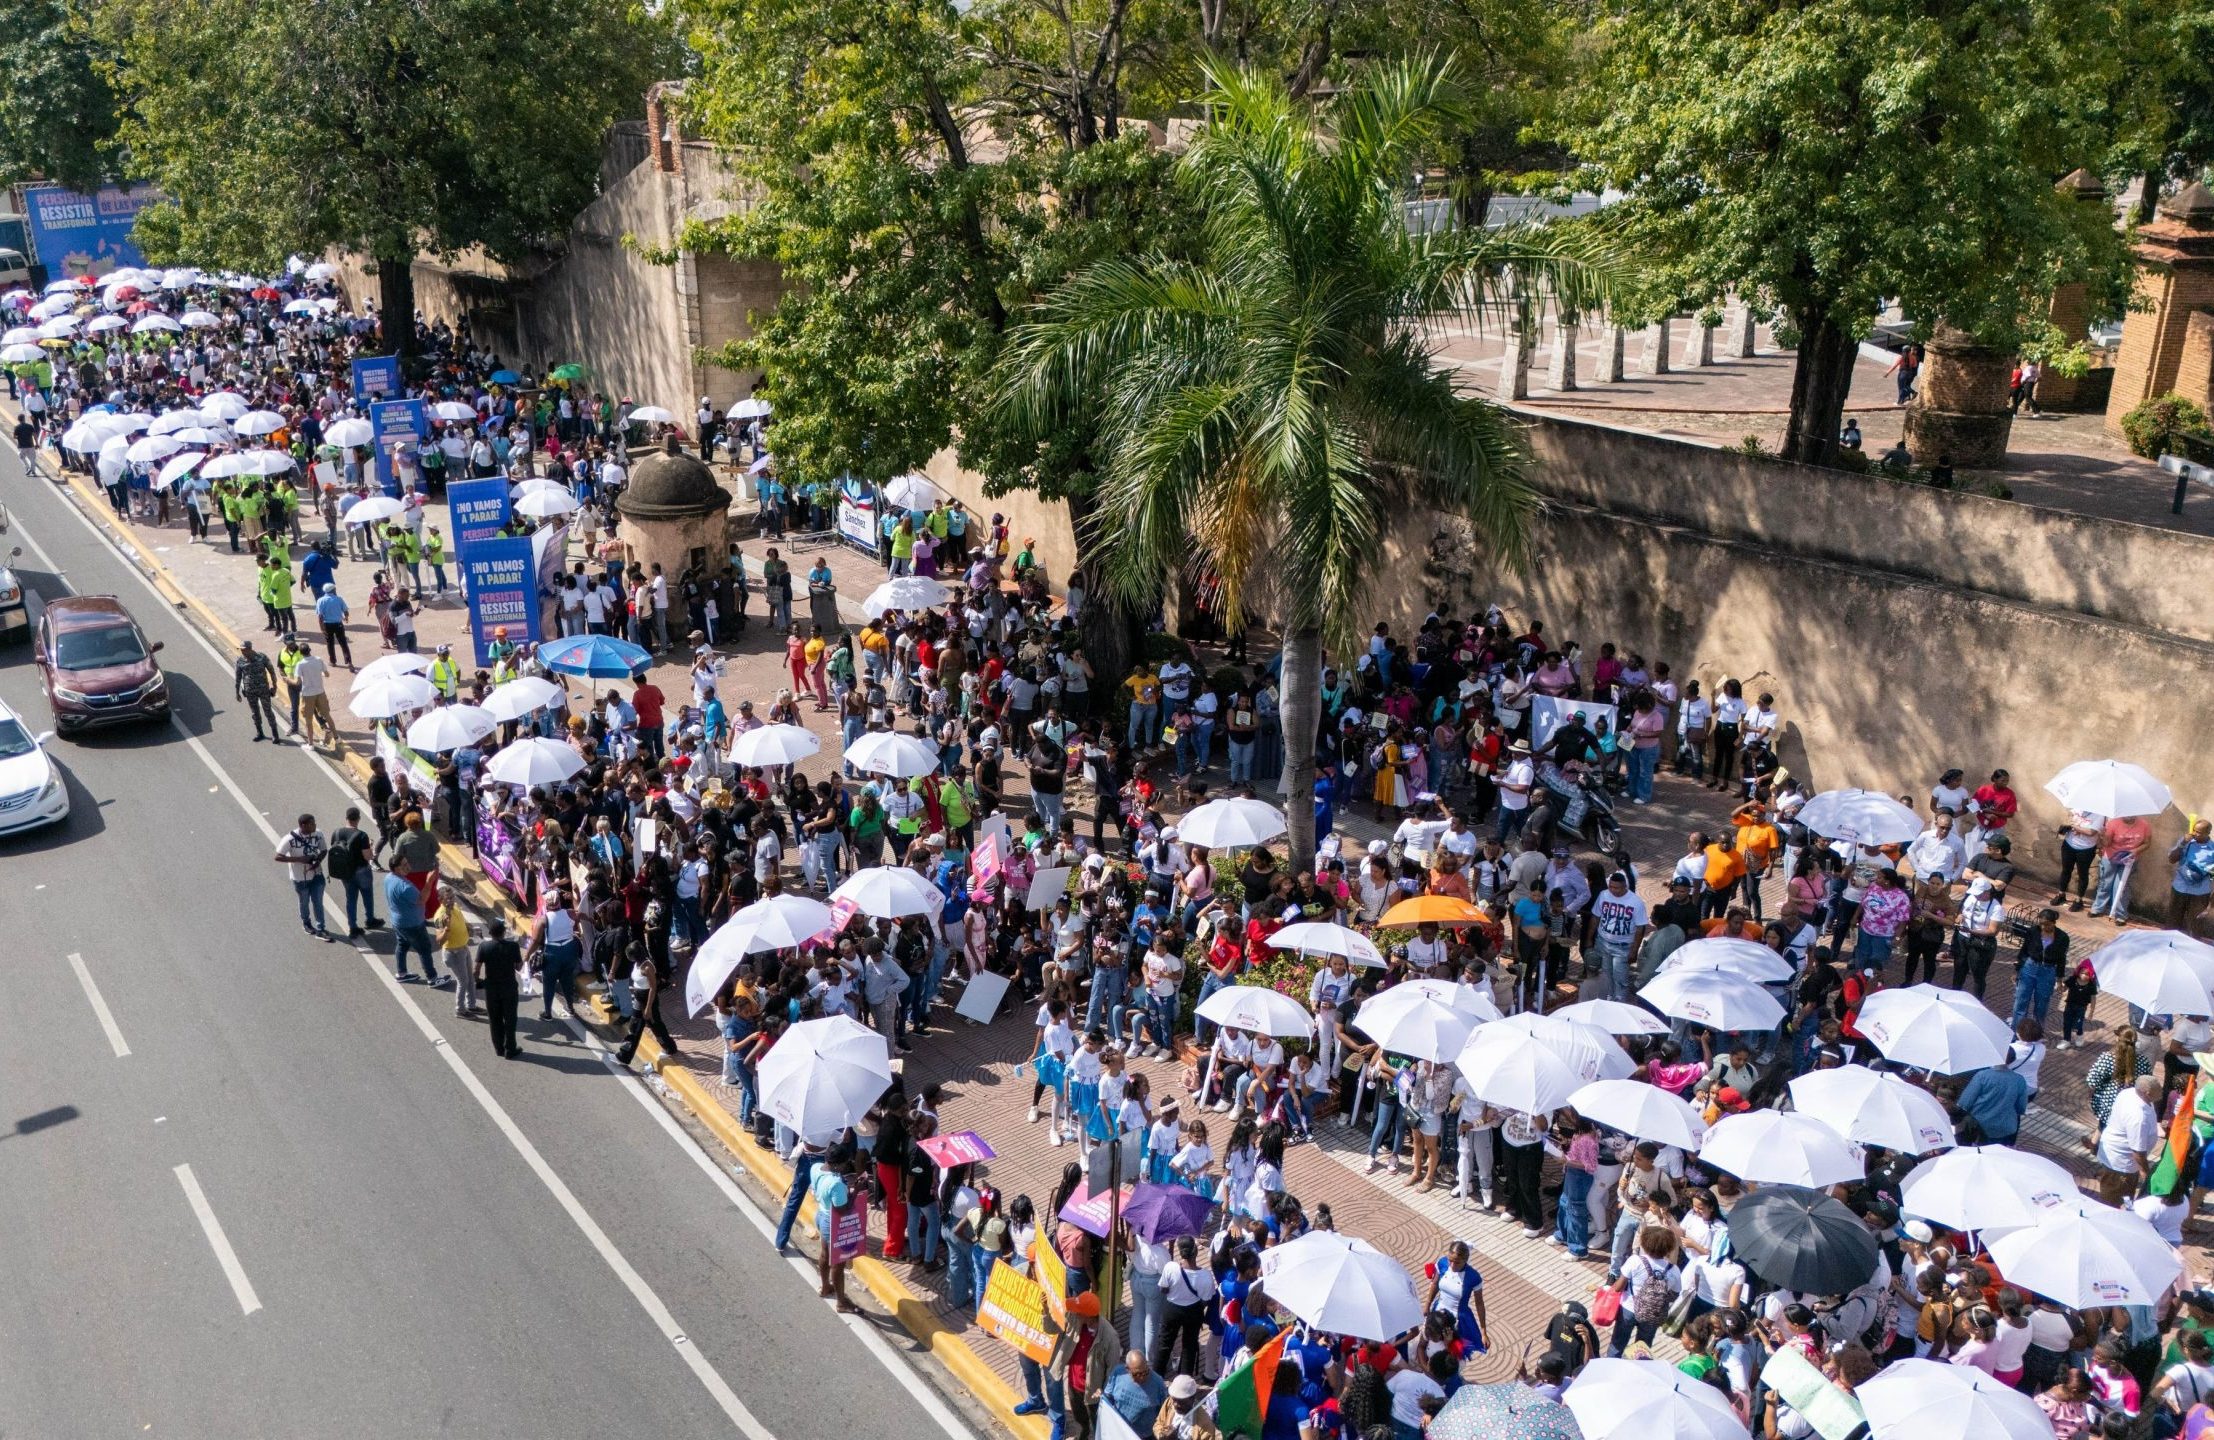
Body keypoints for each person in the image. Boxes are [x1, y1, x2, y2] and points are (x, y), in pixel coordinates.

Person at [273, 813, 332, 941]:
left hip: (317, 875)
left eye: (315, 823)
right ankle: (306, 922)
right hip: (300, 878)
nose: (315, 825)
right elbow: (278, 856)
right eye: (312, 823)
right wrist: (300, 859)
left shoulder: (318, 834)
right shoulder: (289, 839)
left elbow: (323, 850)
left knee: (318, 902)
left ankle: (321, 929)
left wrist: (318, 861)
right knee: (304, 902)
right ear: (303, 825)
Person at [382, 865, 441, 985]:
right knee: (424, 949)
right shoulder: (406, 887)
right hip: (413, 924)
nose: (408, 866)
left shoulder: (389, 878)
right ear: (397, 868)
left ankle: (401, 973)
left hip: (398, 922)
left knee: (402, 945)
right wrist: (429, 881)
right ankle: (432, 978)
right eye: (404, 864)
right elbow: (422, 899)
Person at [234, 640, 282, 742]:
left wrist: (274, 687)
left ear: (250, 649)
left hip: (263, 689)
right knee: (254, 713)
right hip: (250, 691)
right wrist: (237, 692)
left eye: (244, 650)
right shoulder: (240, 660)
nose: (242, 652)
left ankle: (275, 734)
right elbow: (238, 677)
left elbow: (272, 672)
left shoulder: (261, 657)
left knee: (268, 711)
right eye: (241, 650)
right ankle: (259, 732)